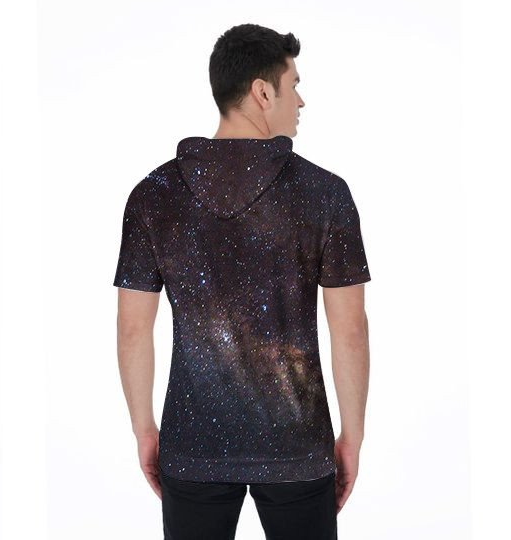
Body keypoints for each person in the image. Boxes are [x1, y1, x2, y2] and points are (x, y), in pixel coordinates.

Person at [113, 23, 371, 540]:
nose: (301, 100)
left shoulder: (153, 194)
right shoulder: (325, 193)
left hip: (192, 443)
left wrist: (145, 430)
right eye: (293, 84)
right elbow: (349, 329)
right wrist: (352, 436)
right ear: (262, 92)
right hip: (298, 443)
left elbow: (132, 328)